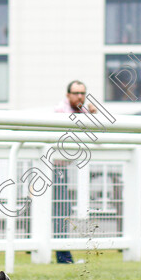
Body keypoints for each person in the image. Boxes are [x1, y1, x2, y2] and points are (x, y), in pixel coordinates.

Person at [51, 80, 97, 264]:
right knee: (60, 209)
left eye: (82, 93)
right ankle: (61, 254)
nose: (80, 96)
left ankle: (61, 252)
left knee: (61, 209)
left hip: (62, 168)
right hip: (51, 168)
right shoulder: (60, 112)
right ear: (68, 94)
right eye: (76, 93)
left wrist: (93, 115)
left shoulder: (83, 112)